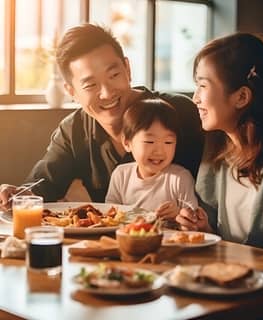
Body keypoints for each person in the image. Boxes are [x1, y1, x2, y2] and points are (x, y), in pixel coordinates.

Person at [0, 23, 203, 209]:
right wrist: (18, 194)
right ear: (72, 92)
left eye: (113, 75)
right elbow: (44, 183)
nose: (107, 93)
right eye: (90, 85)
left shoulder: (180, 112)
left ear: (128, 69)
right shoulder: (74, 130)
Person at [176, 32, 263, 259]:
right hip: (230, 283)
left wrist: (254, 282)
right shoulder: (219, 152)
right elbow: (225, 243)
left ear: (242, 97)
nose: (195, 98)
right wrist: (203, 230)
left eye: (202, 86)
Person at [105, 98, 198, 221]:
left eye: (168, 142)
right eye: (149, 141)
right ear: (127, 143)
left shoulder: (179, 178)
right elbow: (109, 215)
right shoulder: (121, 175)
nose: (159, 151)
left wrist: (178, 214)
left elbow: (194, 220)